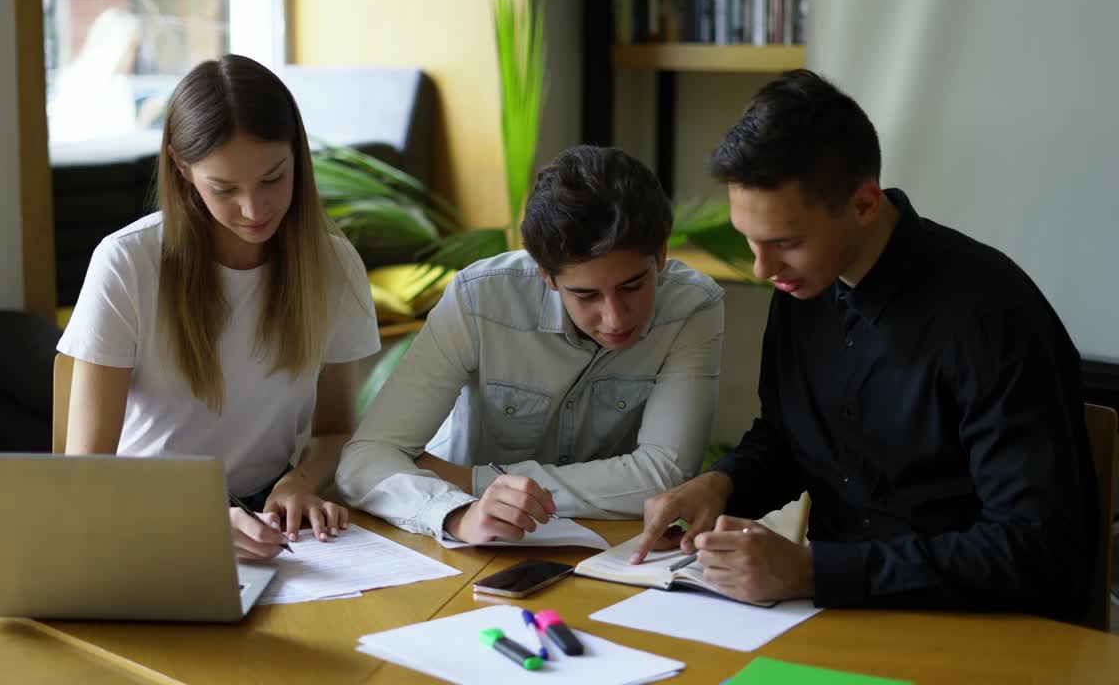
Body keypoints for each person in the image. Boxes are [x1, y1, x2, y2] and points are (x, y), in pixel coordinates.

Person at [631, 69, 1097, 621]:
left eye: (786, 243)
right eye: (749, 241)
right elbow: (788, 438)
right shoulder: (804, 286)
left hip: (983, 625)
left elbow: (1037, 548)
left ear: (864, 204)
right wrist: (721, 483)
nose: (762, 268)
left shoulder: (989, 316)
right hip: (829, 614)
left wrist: (813, 570)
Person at [57, 54, 380, 561]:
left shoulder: (332, 265)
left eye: (273, 179)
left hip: (273, 523)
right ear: (183, 170)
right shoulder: (127, 263)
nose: (254, 210)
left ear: (297, 154)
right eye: (225, 189)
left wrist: (298, 485)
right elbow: (86, 469)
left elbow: (336, 430)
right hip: (145, 519)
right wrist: (196, 517)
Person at [336, 145, 725, 544]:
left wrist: (473, 480)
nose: (615, 318)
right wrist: (456, 513)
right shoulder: (480, 299)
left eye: (632, 286)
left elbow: (665, 477)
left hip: (609, 546)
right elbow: (365, 460)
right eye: (586, 296)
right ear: (547, 276)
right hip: (468, 542)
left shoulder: (693, 306)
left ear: (660, 256)